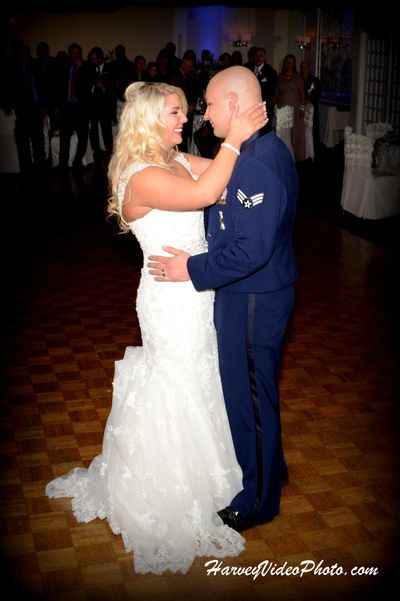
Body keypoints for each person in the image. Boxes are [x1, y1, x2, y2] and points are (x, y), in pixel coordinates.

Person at [45, 81, 267, 574]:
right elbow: (207, 192)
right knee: (179, 379)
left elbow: (230, 178)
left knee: (206, 375)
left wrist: (252, 146)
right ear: (147, 118)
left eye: (186, 112)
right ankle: (168, 486)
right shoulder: (140, 174)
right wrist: (236, 136)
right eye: (174, 113)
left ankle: (219, 475)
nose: (184, 120)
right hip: (170, 300)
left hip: (199, 290)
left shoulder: (176, 159)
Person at [148, 66, 298, 532]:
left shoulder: (255, 160)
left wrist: (190, 268)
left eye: (209, 104)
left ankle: (257, 500)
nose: (203, 113)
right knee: (258, 394)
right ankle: (272, 470)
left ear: (234, 104)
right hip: (260, 294)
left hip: (252, 297)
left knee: (248, 397)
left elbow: (250, 251)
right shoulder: (257, 149)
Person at [274, 54, 306, 161]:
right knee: (283, 133)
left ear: (294, 64)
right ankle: (284, 155)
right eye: (287, 62)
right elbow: (276, 94)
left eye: (291, 62)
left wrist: (302, 109)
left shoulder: (298, 78)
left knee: (295, 133)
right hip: (282, 110)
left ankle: (296, 157)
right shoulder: (279, 77)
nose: (289, 64)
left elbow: (303, 95)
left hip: (295, 110)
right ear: (284, 63)